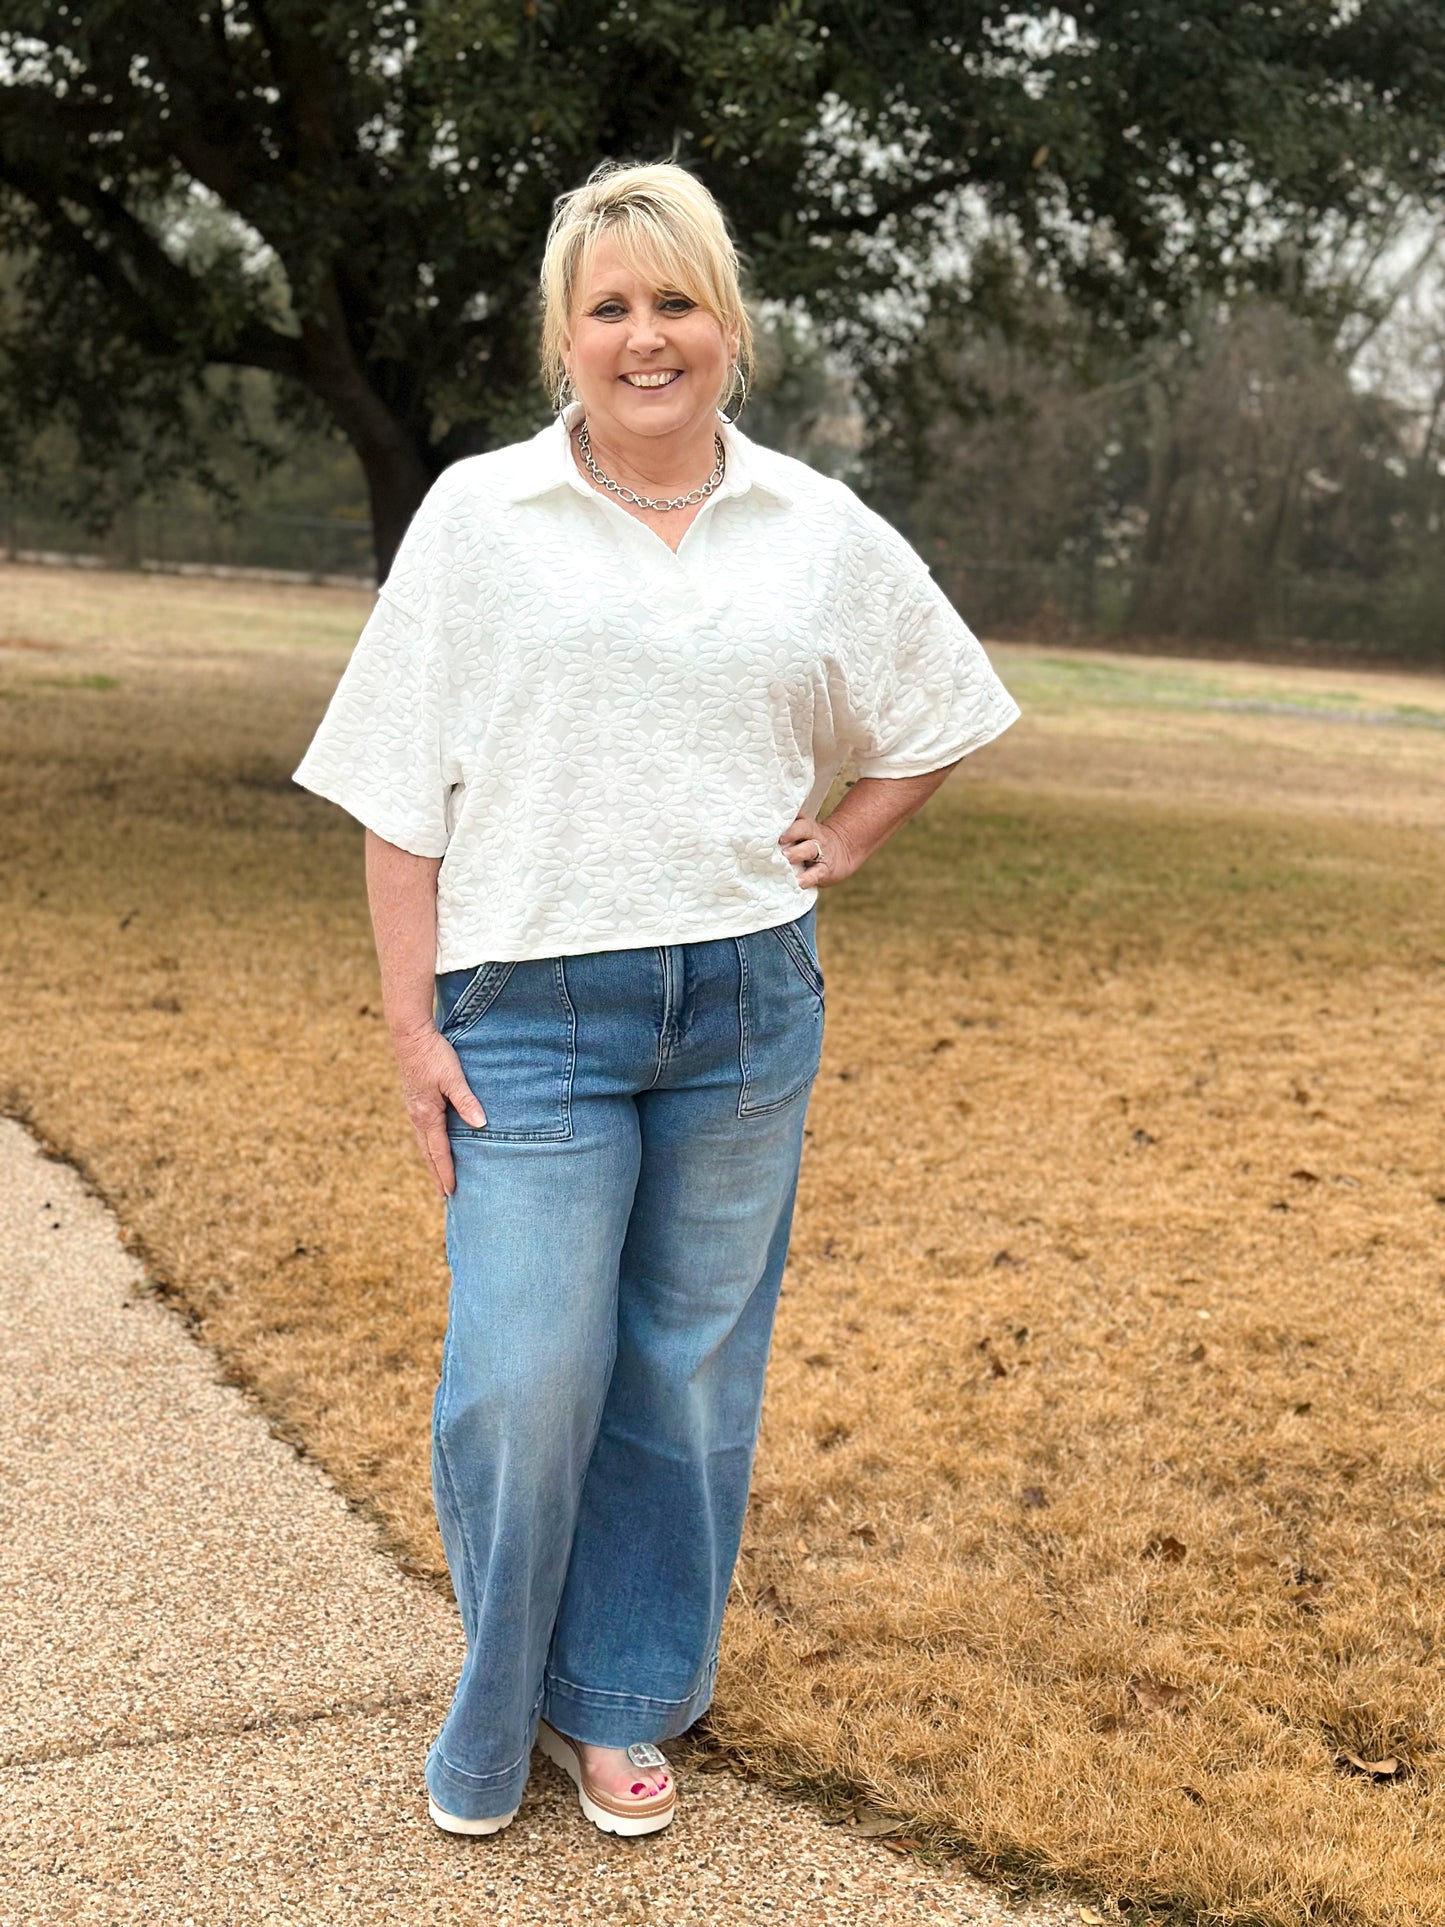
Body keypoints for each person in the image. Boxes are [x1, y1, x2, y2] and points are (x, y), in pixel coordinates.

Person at [292, 158, 1019, 1841]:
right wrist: (411, 1034)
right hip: (525, 1010)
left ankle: (617, 1702)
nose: (644, 338)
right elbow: (401, 798)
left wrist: (840, 836)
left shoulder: (811, 526)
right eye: (608, 307)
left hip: (747, 1007)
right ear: (564, 335)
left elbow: (945, 706)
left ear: (726, 324)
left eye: (673, 301)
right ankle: (497, 1706)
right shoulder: (479, 519)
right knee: (523, 1373)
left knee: (684, 1375)